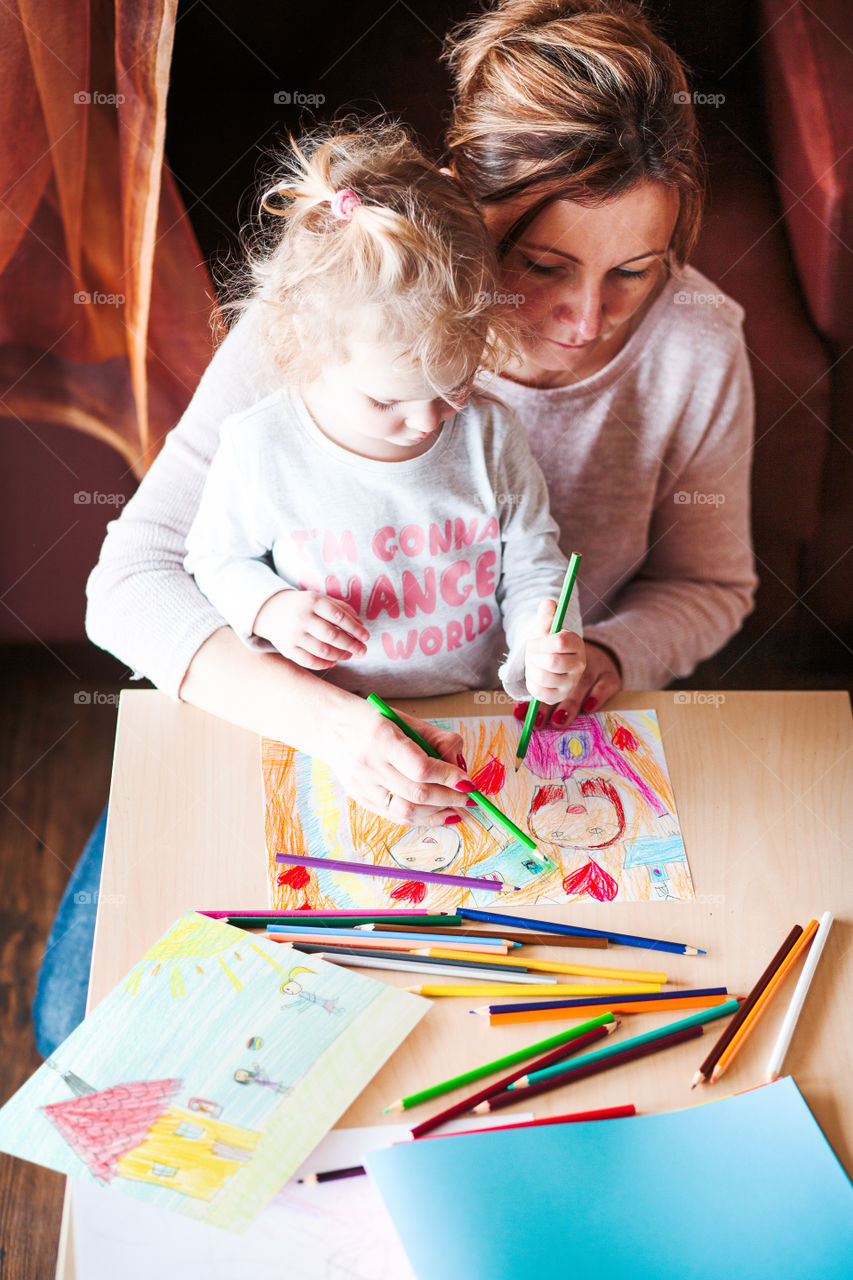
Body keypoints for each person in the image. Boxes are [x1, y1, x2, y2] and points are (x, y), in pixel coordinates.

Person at [37, 0, 756, 1055]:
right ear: (464, 206)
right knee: (91, 1034)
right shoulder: (345, 303)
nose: (585, 319)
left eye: (634, 272)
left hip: (519, 764)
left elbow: (711, 585)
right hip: (290, 725)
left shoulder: (697, 348)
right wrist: (325, 721)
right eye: (542, 266)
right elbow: (132, 580)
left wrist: (603, 651)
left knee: (510, 1045)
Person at [182, 122, 584, 812]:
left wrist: (541, 642)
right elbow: (212, 560)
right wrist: (272, 609)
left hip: (475, 713)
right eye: (386, 400)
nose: (428, 420)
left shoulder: (488, 434)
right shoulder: (261, 447)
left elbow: (534, 565)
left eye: (453, 385)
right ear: (303, 342)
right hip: (323, 728)